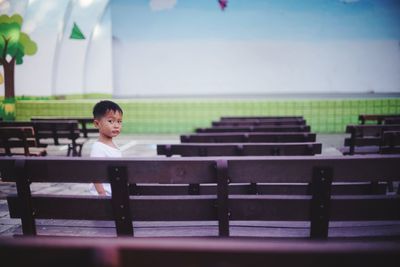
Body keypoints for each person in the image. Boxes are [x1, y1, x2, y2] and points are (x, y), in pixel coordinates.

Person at [90, 100, 123, 196]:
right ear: (97, 124)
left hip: (114, 195)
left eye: (119, 121)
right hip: (104, 197)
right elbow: (95, 173)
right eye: (111, 121)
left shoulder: (113, 145)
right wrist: (102, 193)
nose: (116, 125)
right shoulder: (98, 148)